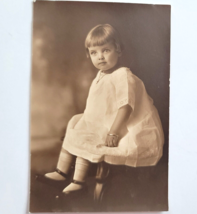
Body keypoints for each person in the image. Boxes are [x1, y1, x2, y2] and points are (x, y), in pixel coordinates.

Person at [42, 24, 164, 195]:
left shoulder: (122, 75)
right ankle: (61, 171)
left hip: (120, 124)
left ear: (119, 50)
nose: (100, 57)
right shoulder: (100, 75)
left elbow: (126, 106)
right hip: (101, 119)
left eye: (105, 50)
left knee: (88, 133)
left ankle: (79, 181)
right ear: (88, 55)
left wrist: (113, 132)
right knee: (76, 122)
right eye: (94, 53)